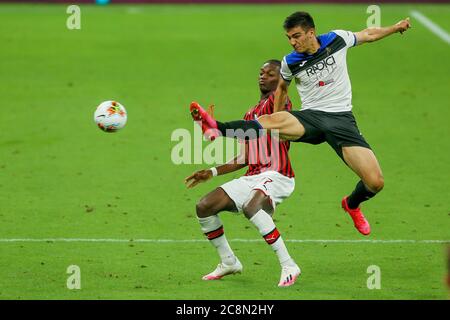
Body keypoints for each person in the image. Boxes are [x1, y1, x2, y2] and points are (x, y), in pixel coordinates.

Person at [190, 12, 412, 236]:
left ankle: (352, 204)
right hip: (311, 117)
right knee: (266, 121)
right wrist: (277, 116)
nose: (292, 42)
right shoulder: (290, 62)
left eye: (296, 36)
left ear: (311, 33)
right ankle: (215, 127)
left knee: (375, 182)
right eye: (289, 38)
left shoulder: (337, 39)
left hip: (341, 119)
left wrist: (395, 28)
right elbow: (282, 89)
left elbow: (368, 34)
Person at [186, 60, 301, 287]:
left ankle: (289, 264)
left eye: (270, 74)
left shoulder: (277, 105)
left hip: (278, 175)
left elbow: (282, 92)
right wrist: (211, 171)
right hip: (254, 176)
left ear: (280, 79)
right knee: (204, 206)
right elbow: (246, 157)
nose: (263, 76)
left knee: (252, 207)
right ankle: (229, 262)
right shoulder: (250, 114)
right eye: (261, 72)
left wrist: (284, 81)